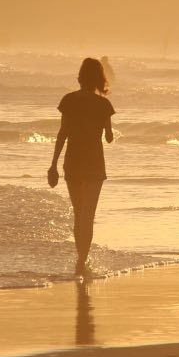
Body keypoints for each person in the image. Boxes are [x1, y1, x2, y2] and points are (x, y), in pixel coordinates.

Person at [49, 58, 115, 275]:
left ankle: (80, 258)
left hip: (73, 160)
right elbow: (109, 137)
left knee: (78, 213)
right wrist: (105, 128)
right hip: (95, 161)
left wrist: (53, 165)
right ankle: (82, 260)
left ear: (80, 76)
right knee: (89, 214)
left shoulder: (68, 100)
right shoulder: (104, 104)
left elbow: (63, 133)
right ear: (99, 78)